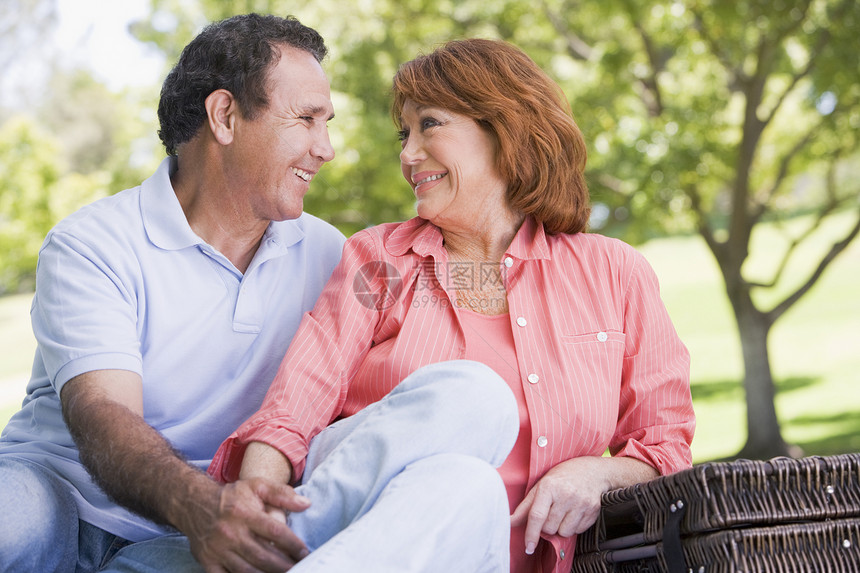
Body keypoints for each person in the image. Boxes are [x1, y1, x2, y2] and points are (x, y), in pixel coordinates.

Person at [211, 38, 697, 572]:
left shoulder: (613, 273)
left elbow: (664, 446)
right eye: (405, 132)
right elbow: (294, 409)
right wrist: (254, 509)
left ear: (505, 127)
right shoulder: (380, 260)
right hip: (347, 522)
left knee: (470, 488)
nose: (407, 153)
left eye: (430, 125)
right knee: (474, 396)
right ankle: (276, 547)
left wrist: (597, 474)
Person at [0, 13, 345, 573]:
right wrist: (201, 507)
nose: (325, 148)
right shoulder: (92, 243)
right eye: (306, 119)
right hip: (55, 490)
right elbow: (103, 413)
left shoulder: (331, 257)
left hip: (194, 534)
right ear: (225, 116)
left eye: (326, 123)